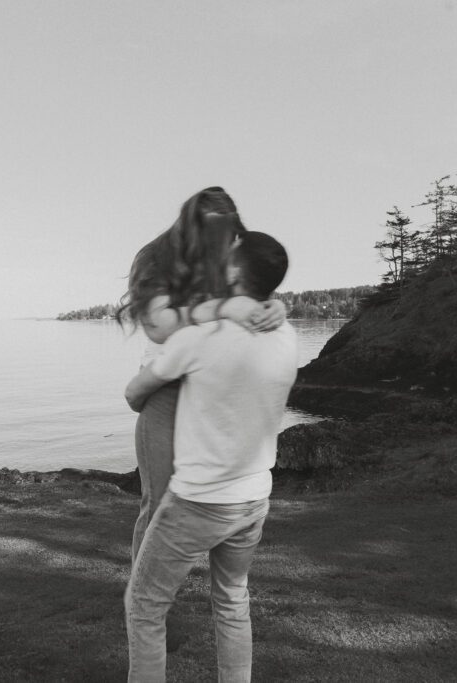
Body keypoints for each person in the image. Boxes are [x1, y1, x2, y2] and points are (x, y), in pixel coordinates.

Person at [123, 231, 298, 682]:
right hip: (255, 496)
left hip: (200, 501)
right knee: (233, 598)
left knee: (143, 606)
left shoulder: (203, 337)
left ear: (236, 270)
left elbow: (135, 394)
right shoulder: (289, 337)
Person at [118, 187, 286, 565]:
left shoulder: (231, 252)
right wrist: (225, 306)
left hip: (222, 390)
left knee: (221, 500)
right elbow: (158, 326)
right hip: (168, 391)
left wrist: (275, 306)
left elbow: (254, 291)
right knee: (160, 502)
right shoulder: (156, 258)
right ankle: (143, 600)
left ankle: (214, 594)